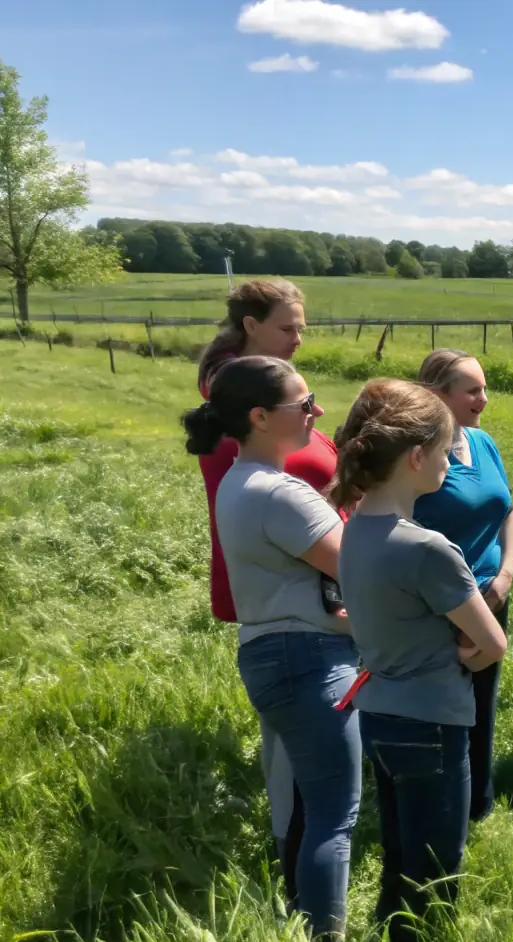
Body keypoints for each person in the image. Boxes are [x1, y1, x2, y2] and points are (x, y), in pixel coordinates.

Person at [181, 355, 362, 942]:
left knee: (309, 806)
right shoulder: (282, 494)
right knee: (334, 816)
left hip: (270, 652)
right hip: (311, 658)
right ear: (261, 416)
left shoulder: (238, 482)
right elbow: (362, 573)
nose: (318, 412)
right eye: (304, 404)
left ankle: (304, 932)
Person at [331, 378, 508, 942]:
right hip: (432, 723)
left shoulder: (354, 527)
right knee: (437, 865)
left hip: (378, 714)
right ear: (415, 457)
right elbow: (492, 642)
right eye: (444, 449)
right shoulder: (427, 548)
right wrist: (453, 660)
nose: (449, 460)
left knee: (401, 849)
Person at [195, 278, 329, 908]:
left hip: (294, 569)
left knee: (296, 736)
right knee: (297, 742)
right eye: (288, 328)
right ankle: (296, 863)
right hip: (286, 579)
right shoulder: (251, 398)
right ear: (251, 326)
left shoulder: (267, 395)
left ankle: (297, 850)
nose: (299, 338)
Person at [414, 349, 513, 822]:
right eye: (473, 389)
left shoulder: (483, 442)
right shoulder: (415, 456)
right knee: (442, 709)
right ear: (438, 394)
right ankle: (435, 805)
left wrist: (505, 577)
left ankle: (478, 803)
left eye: (484, 386)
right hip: (442, 605)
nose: (484, 398)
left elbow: (507, 509)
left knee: (481, 703)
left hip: (492, 596)